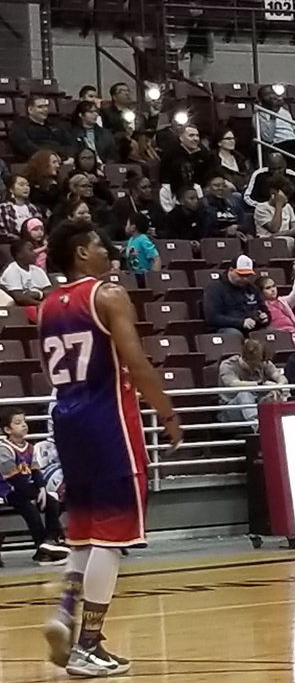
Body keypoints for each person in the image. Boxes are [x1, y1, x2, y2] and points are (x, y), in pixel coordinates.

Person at [39, 218, 182, 675]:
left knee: (83, 530)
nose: (108, 252)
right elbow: (136, 363)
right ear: (82, 252)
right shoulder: (108, 294)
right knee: (112, 537)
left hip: (67, 419)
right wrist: (168, 412)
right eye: (100, 244)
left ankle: (65, 609)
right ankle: (89, 644)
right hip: (108, 420)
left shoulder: (46, 305)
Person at [0, 406, 69, 564]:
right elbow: (14, 480)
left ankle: (51, 539)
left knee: (52, 502)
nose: (24, 425)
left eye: (24, 421)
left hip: (26, 489)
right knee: (31, 513)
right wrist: (36, 493)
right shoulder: (4, 450)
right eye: (18, 423)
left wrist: (42, 488)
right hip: (8, 491)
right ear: (7, 429)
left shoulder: (30, 447)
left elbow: (36, 471)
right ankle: (41, 547)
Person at [216, 339, 287, 431]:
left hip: (257, 402)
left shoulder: (263, 363)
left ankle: (281, 423)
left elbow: (279, 376)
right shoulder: (228, 365)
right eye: (255, 364)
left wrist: (279, 385)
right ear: (246, 359)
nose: (258, 366)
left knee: (274, 394)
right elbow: (233, 383)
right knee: (244, 393)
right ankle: (258, 426)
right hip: (232, 409)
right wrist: (260, 385)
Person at [203, 255, 270, 335]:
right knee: (235, 334)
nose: (245, 279)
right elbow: (213, 318)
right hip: (226, 328)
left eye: (248, 276)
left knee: (272, 332)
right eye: (241, 275)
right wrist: (241, 322)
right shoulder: (215, 289)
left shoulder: (252, 289)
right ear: (231, 270)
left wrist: (265, 317)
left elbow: (263, 309)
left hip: (252, 327)